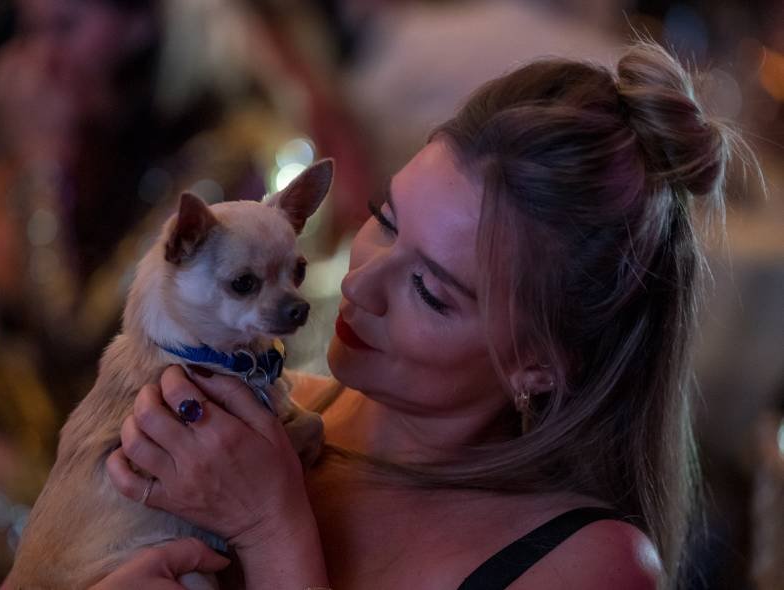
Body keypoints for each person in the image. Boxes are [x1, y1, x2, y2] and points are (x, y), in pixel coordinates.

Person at [85, 40, 736, 589]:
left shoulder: (589, 561)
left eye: (430, 289)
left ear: (538, 365)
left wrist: (272, 531)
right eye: (385, 220)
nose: (362, 283)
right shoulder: (257, 423)